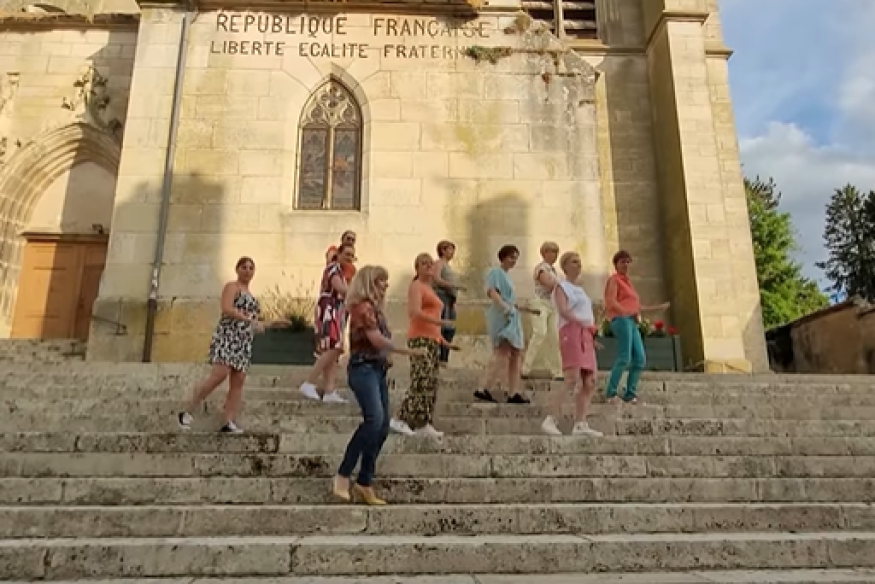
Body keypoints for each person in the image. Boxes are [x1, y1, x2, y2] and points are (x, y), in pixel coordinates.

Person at [333, 265, 426, 505]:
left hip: (376, 370)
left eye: (385, 280)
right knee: (374, 420)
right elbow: (376, 340)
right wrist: (407, 351)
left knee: (382, 426)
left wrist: (388, 357)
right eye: (380, 281)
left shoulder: (376, 311)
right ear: (368, 283)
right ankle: (343, 474)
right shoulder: (363, 307)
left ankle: (365, 482)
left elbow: (378, 343)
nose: (385, 285)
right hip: (363, 370)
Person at [178, 257, 288, 433]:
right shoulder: (232, 287)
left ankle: (228, 421)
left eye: (251, 268)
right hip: (228, 336)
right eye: (244, 267)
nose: (247, 270)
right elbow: (227, 308)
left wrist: (273, 323)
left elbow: (254, 322)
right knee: (219, 374)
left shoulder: (251, 296)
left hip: (243, 342)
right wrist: (249, 320)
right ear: (237, 269)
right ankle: (188, 410)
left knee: (238, 381)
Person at [391, 253, 458, 438]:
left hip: (432, 339)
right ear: (417, 268)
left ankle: (423, 422)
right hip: (419, 338)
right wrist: (440, 323)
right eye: (424, 263)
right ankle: (400, 418)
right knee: (421, 379)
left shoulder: (430, 288)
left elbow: (432, 321)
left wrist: (444, 342)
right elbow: (415, 312)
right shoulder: (416, 286)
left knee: (431, 382)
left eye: (430, 263)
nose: (428, 266)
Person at [541, 251, 604, 437]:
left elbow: (585, 314)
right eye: (574, 262)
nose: (578, 265)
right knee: (572, 377)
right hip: (571, 331)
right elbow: (564, 311)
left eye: (579, 261)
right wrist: (584, 325)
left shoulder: (581, 290)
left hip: (585, 334)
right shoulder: (561, 287)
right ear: (565, 266)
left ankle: (581, 423)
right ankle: (551, 418)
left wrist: (590, 336)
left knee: (589, 380)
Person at [603, 250, 670, 404]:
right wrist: (625, 312)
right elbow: (611, 301)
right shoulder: (614, 280)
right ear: (616, 264)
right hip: (621, 320)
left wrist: (658, 308)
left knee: (640, 358)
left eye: (628, 262)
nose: (626, 265)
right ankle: (610, 392)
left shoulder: (629, 284)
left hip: (632, 321)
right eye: (622, 262)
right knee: (624, 357)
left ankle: (630, 393)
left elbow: (638, 308)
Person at [474, 245, 538, 405]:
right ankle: (483, 387)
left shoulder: (506, 276)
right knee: (502, 352)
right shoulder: (495, 272)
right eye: (511, 257)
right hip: (503, 316)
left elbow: (510, 299)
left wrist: (523, 309)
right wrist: (505, 307)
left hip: (511, 315)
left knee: (516, 353)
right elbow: (492, 292)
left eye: (515, 258)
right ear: (503, 257)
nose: (514, 261)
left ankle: (513, 391)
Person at [299, 243, 356, 403]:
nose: (349, 258)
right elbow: (340, 289)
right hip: (329, 309)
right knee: (335, 347)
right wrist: (360, 293)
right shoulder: (333, 268)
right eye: (347, 254)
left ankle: (330, 390)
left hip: (336, 310)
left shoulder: (342, 272)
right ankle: (309, 382)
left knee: (331, 349)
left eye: (352, 256)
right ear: (339, 253)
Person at [522, 241, 563, 380]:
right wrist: (565, 287)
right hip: (539, 303)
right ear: (544, 253)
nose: (554, 255)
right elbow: (548, 283)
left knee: (554, 337)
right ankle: (526, 367)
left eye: (556, 252)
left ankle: (557, 370)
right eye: (551, 251)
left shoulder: (554, 270)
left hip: (551, 305)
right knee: (540, 333)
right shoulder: (541, 268)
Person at [432, 240, 464, 366]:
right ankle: (439, 356)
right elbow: (436, 278)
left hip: (449, 299)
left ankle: (444, 357)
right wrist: (452, 285)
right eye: (450, 249)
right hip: (441, 297)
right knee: (442, 327)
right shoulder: (439, 263)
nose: (452, 252)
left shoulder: (447, 265)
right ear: (443, 250)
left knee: (450, 328)